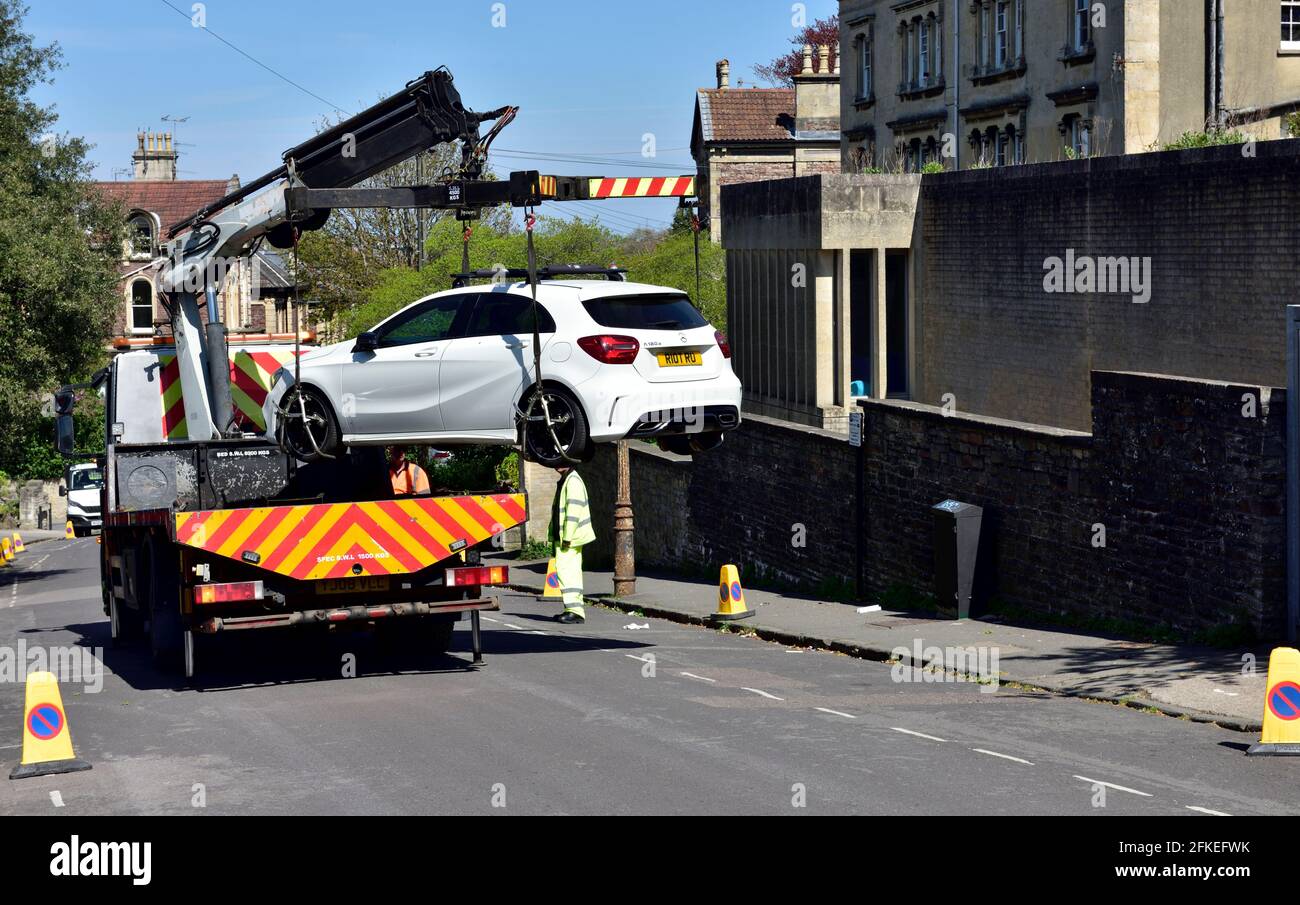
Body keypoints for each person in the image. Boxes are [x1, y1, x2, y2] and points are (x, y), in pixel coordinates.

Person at [549, 464, 596, 624]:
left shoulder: (573, 481)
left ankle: (575, 611)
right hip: (564, 537)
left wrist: (567, 537)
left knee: (567, 572)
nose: (556, 465)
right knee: (568, 572)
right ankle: (572, 609)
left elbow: (573, 512)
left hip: (569, 538)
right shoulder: (567, 479)